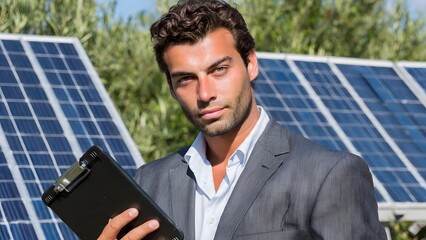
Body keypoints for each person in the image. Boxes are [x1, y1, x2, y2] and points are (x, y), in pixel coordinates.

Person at [98, 0, 387, 239]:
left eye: (219, 70)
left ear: (250, 64)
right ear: (172, 89)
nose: (205, 93)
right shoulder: (150, 181)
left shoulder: (329, 175)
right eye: (186, 79)